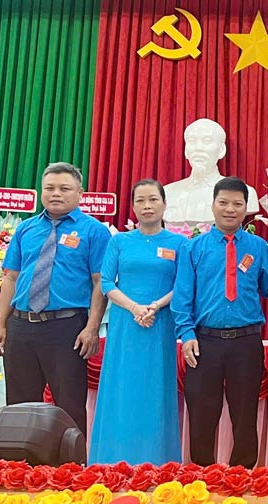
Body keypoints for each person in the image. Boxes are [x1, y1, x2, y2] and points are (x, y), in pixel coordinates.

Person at [172, 177, 268, 468]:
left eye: (237, 204)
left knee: (244, 413)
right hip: (203, 343)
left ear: (246, 208)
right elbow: (182, 297)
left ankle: (242, 475)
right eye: (224, 203)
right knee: (202, 413)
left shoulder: (257, 246)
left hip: (246, 343)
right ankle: (201, 472)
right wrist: (186, 333)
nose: (230, 209)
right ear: (213, 205)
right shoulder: (193, 248)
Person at [0, 162, 110, 436]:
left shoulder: (94, 231)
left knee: (69, 404)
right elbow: (10, 278)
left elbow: (99, 283)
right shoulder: (26, 229)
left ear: (80, 193)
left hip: (66, 328)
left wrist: (91, 328)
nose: (56, 193)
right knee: (19, 405)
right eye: (50, 188)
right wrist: (0, 325)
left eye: (64, 188)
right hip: (21, 325)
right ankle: (21, 467)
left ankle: (71, 467)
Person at [89, 179, 186, 465]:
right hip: (126, 324)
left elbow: (183, 284)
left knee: (155, 388)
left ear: (165, 204)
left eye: (153, 199)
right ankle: (111, 458)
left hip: (160, 323)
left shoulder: (179, 243)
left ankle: (157, 460)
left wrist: (154, 306)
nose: (147, 206)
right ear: (132, 206)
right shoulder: (119, 241)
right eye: (140, 200)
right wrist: (135, 308)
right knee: (122, 388)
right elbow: (106, 282)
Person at [163, 118, 259, 224]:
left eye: (207, 141)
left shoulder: (244, 193)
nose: (198, 148)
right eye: (192, 141)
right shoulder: (167, 192)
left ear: (221, 150)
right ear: (186, 151)